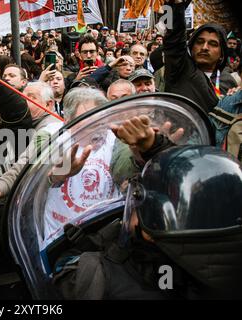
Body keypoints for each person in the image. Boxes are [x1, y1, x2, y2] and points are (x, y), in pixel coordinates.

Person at [52, 145, 242, 299]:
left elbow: (62, 267)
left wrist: (112, 237)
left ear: (152, 231)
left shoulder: (99, 275)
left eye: (137, 203)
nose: (132, 207)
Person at [163, 0, 237, 112]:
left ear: (222, 55)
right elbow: (173, 36)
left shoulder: (228, 81)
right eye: (199, 42)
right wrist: (174, 6)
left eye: (213, 44)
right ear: (191, 48)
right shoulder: (180, 68)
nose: (204, 47)